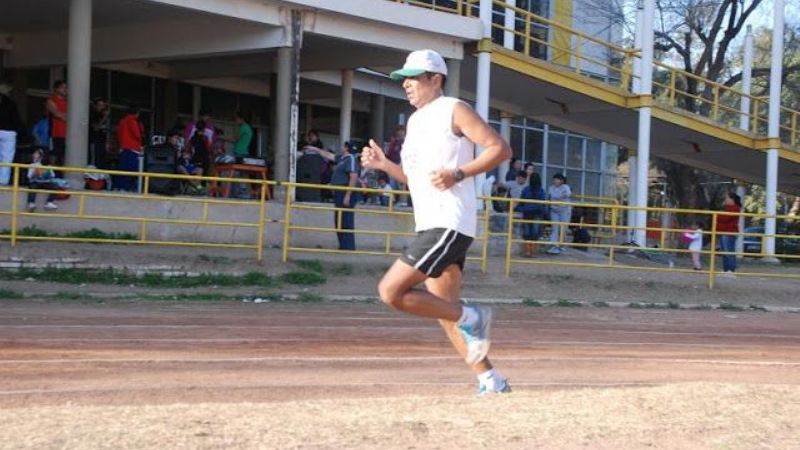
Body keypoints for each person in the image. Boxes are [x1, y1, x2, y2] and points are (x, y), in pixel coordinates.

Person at [361, 49, 513, 395]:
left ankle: (473, 316)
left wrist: (459, 172)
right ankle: (491, 380)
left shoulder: (453, 109)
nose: (407, 85)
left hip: (448, 224)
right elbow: (417, 179)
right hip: (431, 223)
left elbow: (499, 149)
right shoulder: (414, 122)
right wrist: (385, 166)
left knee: (391, 291)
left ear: (436, 79)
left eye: (414, 78)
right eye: (403, 79)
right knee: (445, 311)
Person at [330, 141, 360, 251]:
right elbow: (330, 156)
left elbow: (353, 176)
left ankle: (348, 247)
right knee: (339, 218)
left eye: (343, 146)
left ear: (346, 148)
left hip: (345, 192)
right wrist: (316, 149)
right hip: (339, 192)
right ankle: (343, 245)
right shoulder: (342, 159)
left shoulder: (351, 158)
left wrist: (348, 194)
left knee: (346, 219)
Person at [515, 172, 546, 257]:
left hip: (527, 213)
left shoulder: (526, 189)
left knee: (527, 233)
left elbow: (521, 202)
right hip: (537, 214)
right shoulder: (541, 190)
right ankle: (532, 251)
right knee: (535, 233)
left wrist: (517, 208)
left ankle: (528, 251)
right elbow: (543, 204)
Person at [0, 79, 25, 185]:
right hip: (9, 132)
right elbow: (16, 120)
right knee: (7, 159)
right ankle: (3, 181)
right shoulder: (12, 103)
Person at [114, 106, 144, 191]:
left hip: (123, 147)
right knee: (131, 170)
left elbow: (118, 134)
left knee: (122, 169)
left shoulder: (122, 121)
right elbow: (137, 135)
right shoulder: (133, 121)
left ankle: (120, 187)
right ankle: (128, 188)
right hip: (133, 148)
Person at [716, 192, 741, 276]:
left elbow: (725, 218)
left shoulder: (735, 208)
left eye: (727, 198)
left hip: (729, 232)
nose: (725, 200)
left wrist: (718, 216)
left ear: (732, 199)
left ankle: (731, 270)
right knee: (724, 252)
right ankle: (726, 269)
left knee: (729, 251)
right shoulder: (727, 208)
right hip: (723, 232)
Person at [546, 173, 572, 254]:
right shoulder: (551, 187)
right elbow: (551, 196)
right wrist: (558, 197)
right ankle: (554, 246)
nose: (555, 181)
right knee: (555, 228)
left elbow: (568, 194)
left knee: (563, 228)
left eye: (557, 179)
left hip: (564, 210)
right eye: (554, 179)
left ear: (561, 181)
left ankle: (561, 245)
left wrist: (558, 196)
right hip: (554, 210)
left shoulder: (565, 187)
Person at [46, 80, 68, 176]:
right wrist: (67, 116)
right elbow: (57, 114)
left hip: (67, 133)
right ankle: (51, 174)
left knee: (64, 155)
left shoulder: (68, 101)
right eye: (63, 87)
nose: (65, 90)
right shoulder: (51, 100)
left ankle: (63, 175)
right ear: (57, 89)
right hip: (55, 132)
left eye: (66, 88)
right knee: (54, 154)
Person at [88, 98, 110, 168]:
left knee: (101, 159)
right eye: (99, 105)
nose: (101, 107)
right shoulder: (93, 114)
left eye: (103, 105)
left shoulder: (102, 115)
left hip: (102, 140)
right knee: (94, 160)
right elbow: (96, 128)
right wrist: (104, 118)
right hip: (94, 141)